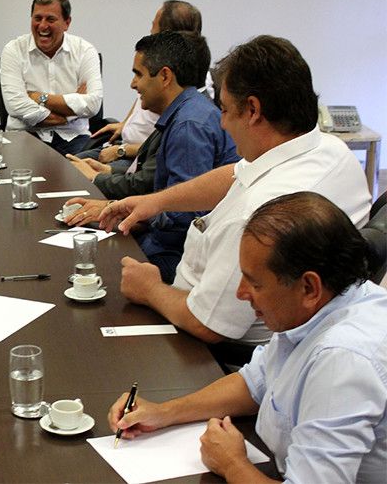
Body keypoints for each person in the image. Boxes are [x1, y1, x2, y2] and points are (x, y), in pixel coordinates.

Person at [99, 35, 371, 346]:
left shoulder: (258, 218)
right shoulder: (329, 148)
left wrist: (150, 289)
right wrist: (155, 202)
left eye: (226, 110)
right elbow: (235, 173)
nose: (223, 125)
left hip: (207, 346)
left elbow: (209, 325)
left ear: (253, 110)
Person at [108, 192, 387, 483]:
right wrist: (164, 413)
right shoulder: (319, 307)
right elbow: (256, 382)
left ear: (308, 287)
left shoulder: (342, 361)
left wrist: (232, 464)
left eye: (255, 283)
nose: (241, 293)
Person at [66, 31, 238, 283]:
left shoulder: (189, 125)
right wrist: (117, 209)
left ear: (165, 76)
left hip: (177, 253)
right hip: (166, 239)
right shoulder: (185, 112)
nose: (133, 85)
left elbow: (186, 216)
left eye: (138, 74)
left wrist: (120, 211)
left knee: (94, 269)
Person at [78, 0, 204, 170]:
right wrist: (126, 125)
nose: (133, 84)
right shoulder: (154, 75)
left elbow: (160, 156)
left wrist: (122, 151)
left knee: (78, 175)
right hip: (123, 145)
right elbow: (140, 102)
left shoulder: (185, 96)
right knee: (66, 166)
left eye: (153, 26)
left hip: (135, 157)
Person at [0, 0, 103, 156]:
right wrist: (69, 116)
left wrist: (40, 98)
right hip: (24, 135)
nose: (42, 26)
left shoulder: (85, 51)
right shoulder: (13, 50)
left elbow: (93, 104)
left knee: (81, 175)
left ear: (67, 23)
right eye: (37, 18)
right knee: (21, 176)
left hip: (73, 137)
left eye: (51, 19)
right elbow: (15, 106)